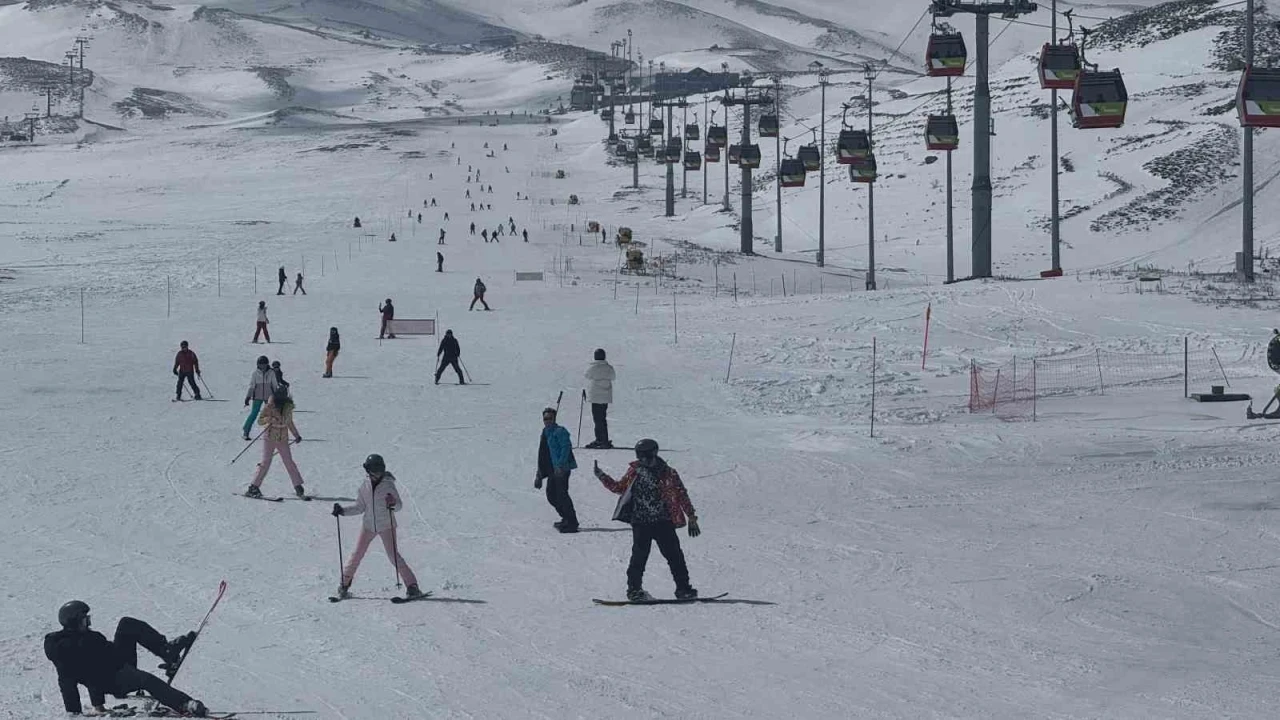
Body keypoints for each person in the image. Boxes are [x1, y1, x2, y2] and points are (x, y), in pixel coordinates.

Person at [44, 601, 206, 717]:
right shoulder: (67, 650)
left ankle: (167, 651)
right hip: (112, 679)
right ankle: (185, 704)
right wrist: (85, 709)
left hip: (116, 662)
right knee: (146, 679)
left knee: (127, 624)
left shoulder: (87, 637)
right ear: (74, 622)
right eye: (85, 620)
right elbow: (74, 679)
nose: (89, 623)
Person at [593, 439, 700, 601]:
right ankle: (634, 590)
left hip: (663, 522)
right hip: (641, 522)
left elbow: (681, 493)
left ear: (654, 454)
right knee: (639, 557)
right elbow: (619, 488)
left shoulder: (669, 473)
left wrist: (691, 516)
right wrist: (602, 476)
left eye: (646, 456)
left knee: (675, 556)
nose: (643, 460)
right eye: (640, 457)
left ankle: (683, 588)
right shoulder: (635, 471)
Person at [332, 454, 424, 601]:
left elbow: (399, 506)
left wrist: (393, 503)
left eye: (380, 471)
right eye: (375, 471)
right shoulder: (365, 486)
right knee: (356, 554)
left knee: (393, 556)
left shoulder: (388, 485)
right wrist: (342, 511)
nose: (378, 474)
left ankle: (412, 586)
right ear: (368, 471)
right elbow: (360, 507)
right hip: (368, 526)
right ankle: (344, 585)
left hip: (386, 525)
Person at [245, 387, 306, 499]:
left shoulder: (288, 407)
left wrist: (296, 435)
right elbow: (260, 420)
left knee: (289, 462)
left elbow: (289, 422)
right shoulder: (270, 405)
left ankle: (298, 486)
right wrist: (270, 419)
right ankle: (254, 486)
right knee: (266, 462)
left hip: (283, 438)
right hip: (270, 437)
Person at [535, 408, 578, 533]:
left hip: (562, 469)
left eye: (550, 418)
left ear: (554, 419)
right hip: (552, 469)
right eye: (545, 419)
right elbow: (542, 453)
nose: (547, 421)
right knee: (551, 495)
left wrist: (560, 465)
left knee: (562, 495)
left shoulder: (560, 431)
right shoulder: (545, 432)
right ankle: (566, 517)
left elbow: (566, 448)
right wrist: (539, 474)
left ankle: (572, 522)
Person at [584, 349, 616, 449]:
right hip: (605, 397)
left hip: (596, 397)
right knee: (602, 418)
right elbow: (613, 376)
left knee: (597, 419)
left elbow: (587, 375)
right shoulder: (609, 368)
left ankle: (600, 440)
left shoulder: (593, 367)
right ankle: (604, 439)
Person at [242, 355, 279, 440]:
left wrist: (276, 395)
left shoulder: (271, 373)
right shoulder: (255, 374)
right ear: (258, 365)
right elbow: (252, 386)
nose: (262, 367)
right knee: (254, 413)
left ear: (267, 364)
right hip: (257, 397)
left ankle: (272, 433)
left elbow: (274, 385)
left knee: (271, 414)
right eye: (260, 365)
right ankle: (246, 431)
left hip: (268, 397)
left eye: (264, 365)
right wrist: (248, 397)